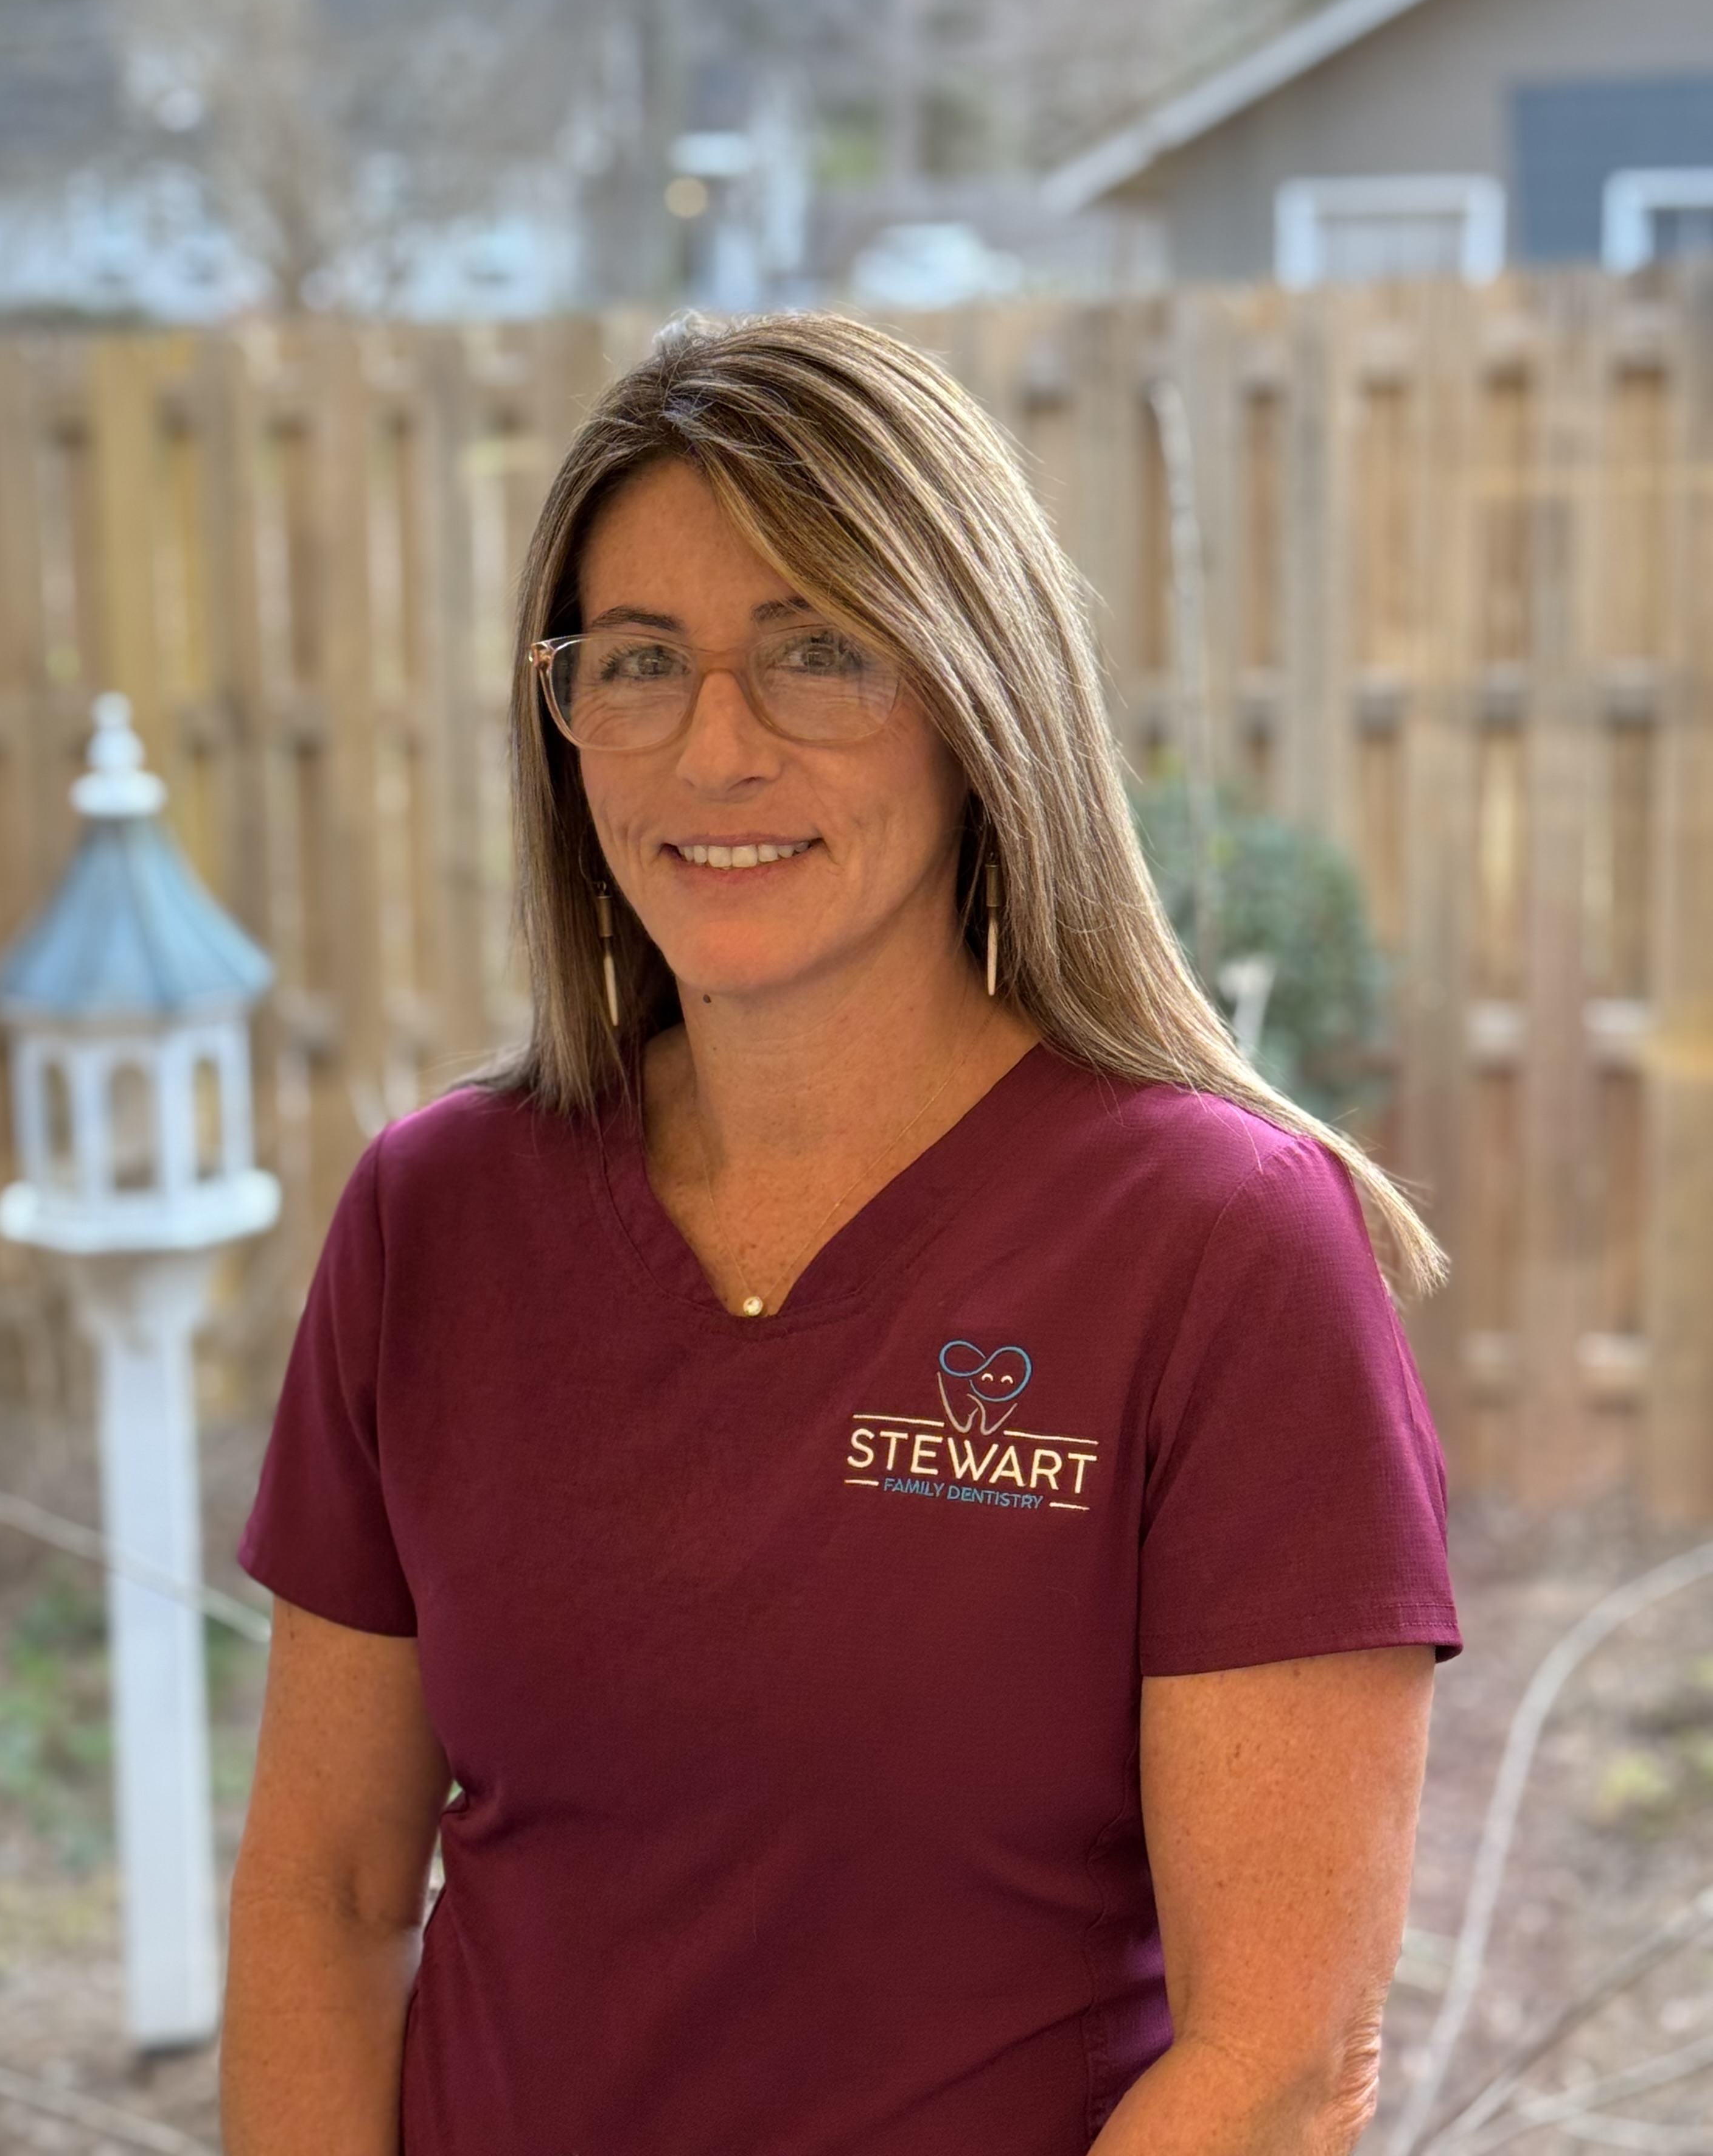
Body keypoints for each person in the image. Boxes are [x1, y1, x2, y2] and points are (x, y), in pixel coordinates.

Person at [222, 310, 1460, 2156]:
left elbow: (1278, 2057)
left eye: (818, 652)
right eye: (637, 661)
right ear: (561, 723)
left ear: (979, 701)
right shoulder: (435, 1219)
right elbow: (326, 1899)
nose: (715, 749)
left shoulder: (1220, 1247)